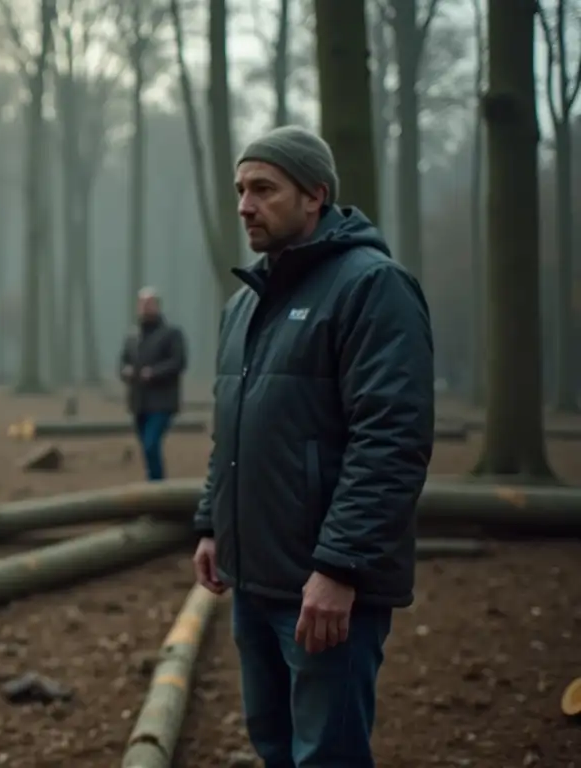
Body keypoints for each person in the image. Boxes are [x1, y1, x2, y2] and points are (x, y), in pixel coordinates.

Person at [191, 125, 435, 767]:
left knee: (327, 756)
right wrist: (213, 523)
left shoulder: (373, 288)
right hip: (254, 578)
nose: (245, 204)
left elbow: (391, 438)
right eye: (241, 189)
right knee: (272, 743)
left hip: (326, 589)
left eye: (264, 188)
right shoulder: (242, 305)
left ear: (315, 196)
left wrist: (339, 568)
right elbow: (234, 430)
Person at [118, 287, 187, 480]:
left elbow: (178, 361)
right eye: (142, 303)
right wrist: (126, 371)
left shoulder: (171, 334)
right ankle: (155, 484)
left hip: (162, 402)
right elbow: (122, 363)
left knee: (151, 444)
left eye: (149, 303)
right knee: (146, 448)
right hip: (139, 402)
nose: (145, 307)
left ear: (157, 306)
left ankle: (158, 487)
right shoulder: (133, 336)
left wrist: (154, 373)